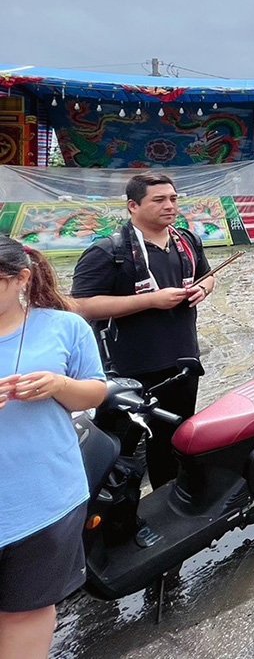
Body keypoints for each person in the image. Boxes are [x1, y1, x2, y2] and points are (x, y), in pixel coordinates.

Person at [71, 171, 215, 488]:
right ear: (133, 206)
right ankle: (118, 523)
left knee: (172, 444)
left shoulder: (187, 242)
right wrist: (151, 301)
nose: (170, 206)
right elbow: (80, 305)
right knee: (117, 454)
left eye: (174, 199)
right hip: (128, 371)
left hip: (182, 365)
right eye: (159, 200)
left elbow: (207, 276)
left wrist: (203, 289)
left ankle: (167, 508)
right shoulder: (109, 251)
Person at [0, 237, 107, 659]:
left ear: (22, 279)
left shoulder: (65, 327)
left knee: (25, 611)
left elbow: (95, 393)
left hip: (43, 499)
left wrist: (59, 385)